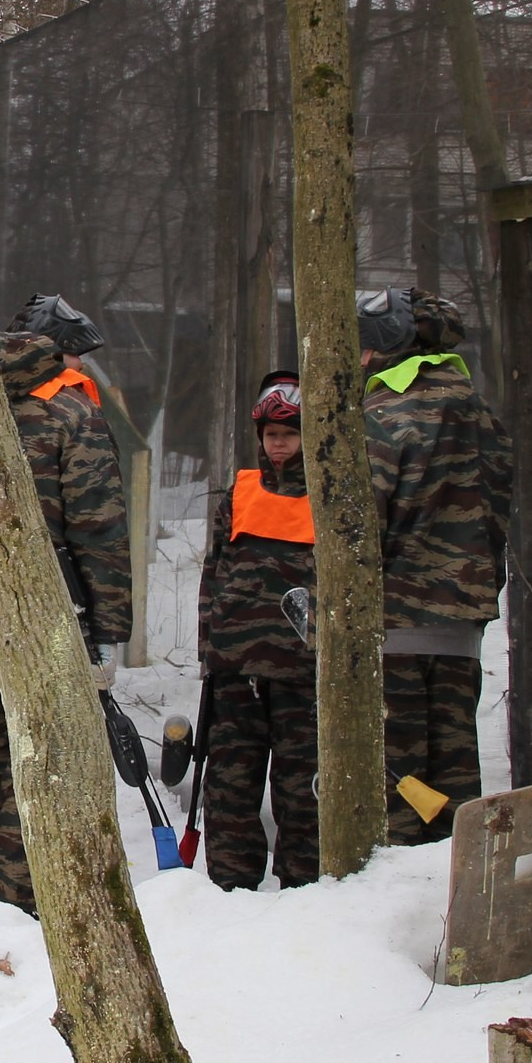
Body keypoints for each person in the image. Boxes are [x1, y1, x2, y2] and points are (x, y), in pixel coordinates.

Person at [0, 331, 131, 909]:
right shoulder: (73, 416)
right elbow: (99, 530)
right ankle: (24, 906)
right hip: (55, 623)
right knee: (44, 762)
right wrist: (108, 633)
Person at [360, 289, 513, 842]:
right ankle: (457, 901)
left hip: (390, 624)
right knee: (455, 777)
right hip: (461, 626)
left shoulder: (380, 414)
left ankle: (398, 908)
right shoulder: (483, 414)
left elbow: (357, 528)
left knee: (398, 783)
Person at [194, 372, 319, 888]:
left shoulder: (331, 498)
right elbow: (212, 573)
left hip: (303, 674)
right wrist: (210, 649)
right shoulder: (237, 495)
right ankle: (230, 889)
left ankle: (307, 889)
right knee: (229, 788)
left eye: (289, 433)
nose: (280, 444)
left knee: (302, 789)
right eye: (272, 434)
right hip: (236, 673)